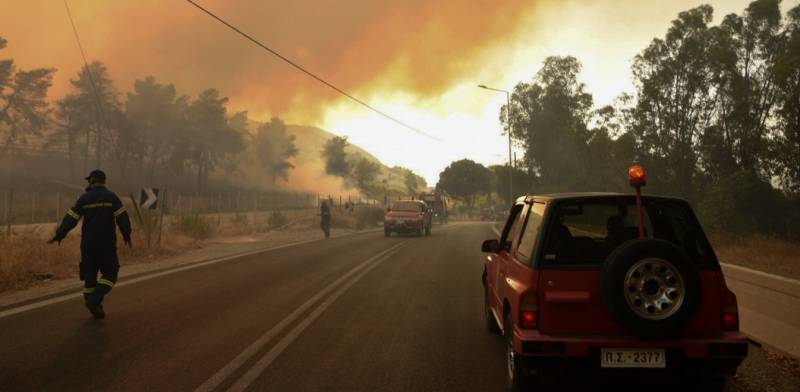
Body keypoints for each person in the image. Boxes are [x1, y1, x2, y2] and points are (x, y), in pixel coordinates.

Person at [48, 170, 132, 319]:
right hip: (106, 245)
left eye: (89, 181)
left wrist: (60, 234)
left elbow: (71, 218)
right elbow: (122, 218)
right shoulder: (112, 197)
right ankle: (94, 301)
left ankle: (94, 305)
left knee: (89, 277)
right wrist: (127, 234)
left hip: (88, 246)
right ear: (104, 181)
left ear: (92, 181)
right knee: (111, 274)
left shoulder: (84, 198)